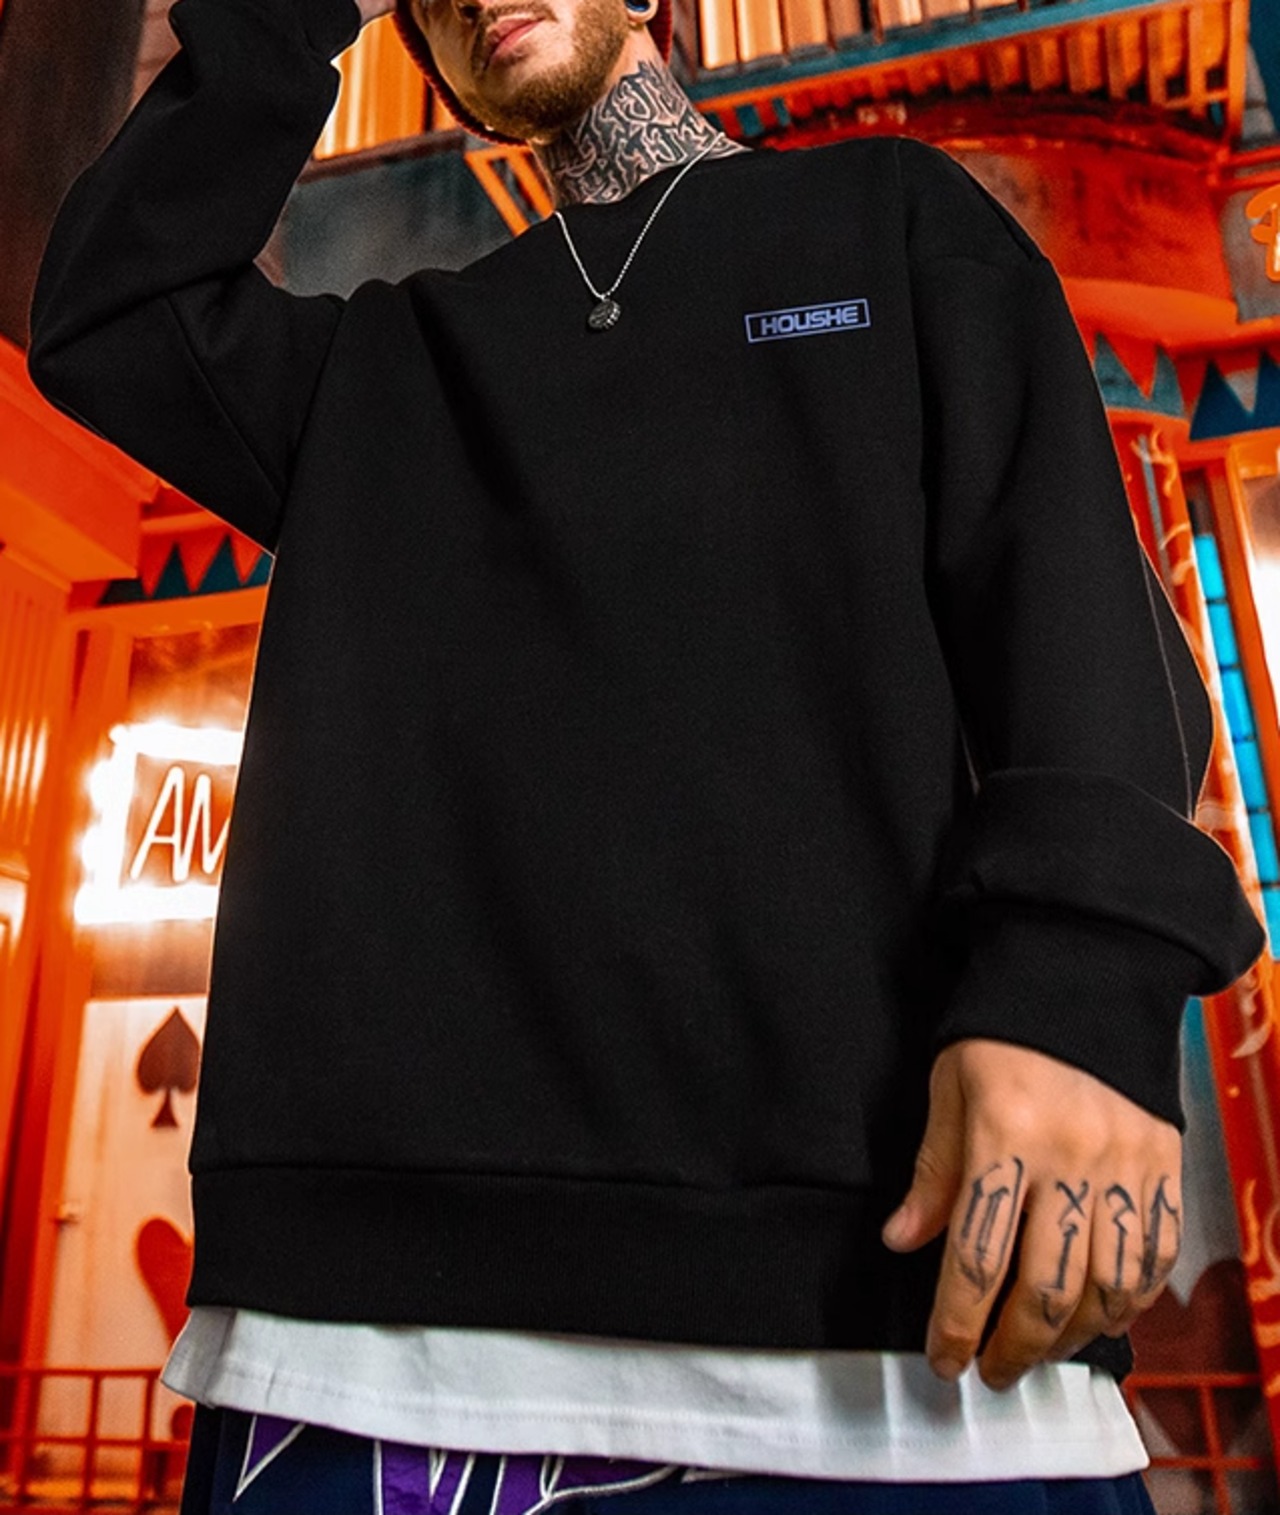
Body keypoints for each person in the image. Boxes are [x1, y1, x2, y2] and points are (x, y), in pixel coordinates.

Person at [26, 0, 1267, 1506]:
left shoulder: (891, 218)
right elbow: (112, 311)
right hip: (359, 1357)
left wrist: (1079, 999)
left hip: (890, 1345)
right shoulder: (378, 367)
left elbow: (1078, 615)